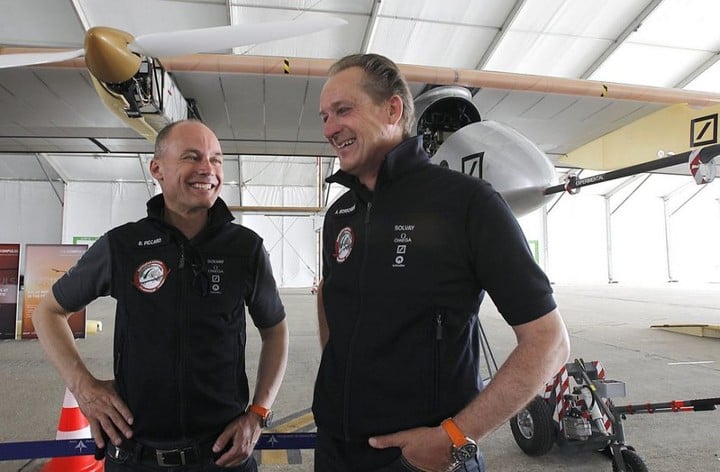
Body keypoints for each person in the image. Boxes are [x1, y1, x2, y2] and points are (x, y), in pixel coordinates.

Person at [313, 53, 571, 472]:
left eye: (343, 110)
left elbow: (548, 341)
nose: (329, 128)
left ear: (392, 109)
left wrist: (454, 437)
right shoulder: (340, 214)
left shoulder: (467, 202)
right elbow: (331, 296)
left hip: (421, 459)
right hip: (336, 451)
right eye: (325, 117)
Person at [32, 119, 289, 471]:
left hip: (222, 457)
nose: (208, 169)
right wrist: (84, 387)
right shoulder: (122, 246)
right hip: (136, 456)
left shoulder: (245, 249)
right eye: (191, 157)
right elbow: (47, 312)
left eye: (216, 159)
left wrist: (259, 412)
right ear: (157, 169)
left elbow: (275, 330)